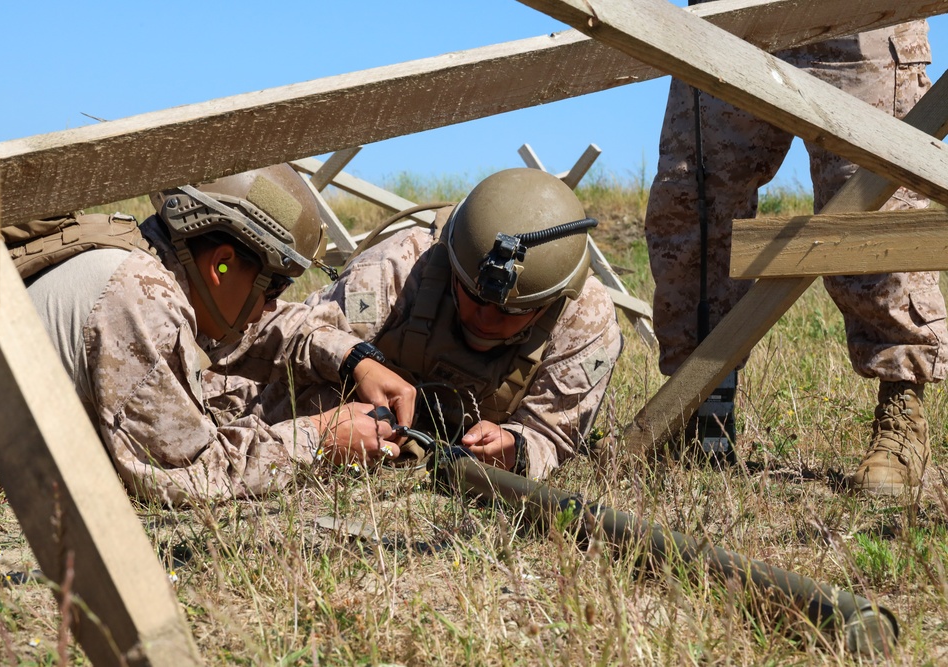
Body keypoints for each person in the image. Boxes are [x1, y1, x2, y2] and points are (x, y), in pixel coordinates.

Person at [644, 15, 947, 495]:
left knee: (875, 206)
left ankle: (901, 412)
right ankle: (697, 406)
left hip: (859, 18)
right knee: (691, 203)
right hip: (736, 16)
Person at [22, 164, 416, 504]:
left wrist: (353, 358)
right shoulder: (142, 298)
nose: (271, 305)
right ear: (221, 265)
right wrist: (319, 440)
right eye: (273, 287)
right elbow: (190, 474)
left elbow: (257, 329)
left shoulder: (147, 265)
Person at [307, 168, 623, 480]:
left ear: (551, 301)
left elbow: (553, 436)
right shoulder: (403, 263)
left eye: (513, 311)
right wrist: (357, 364)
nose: (486, 318)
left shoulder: (586, 319)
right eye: (474, 295)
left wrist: (517, 447)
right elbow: (305, 336)